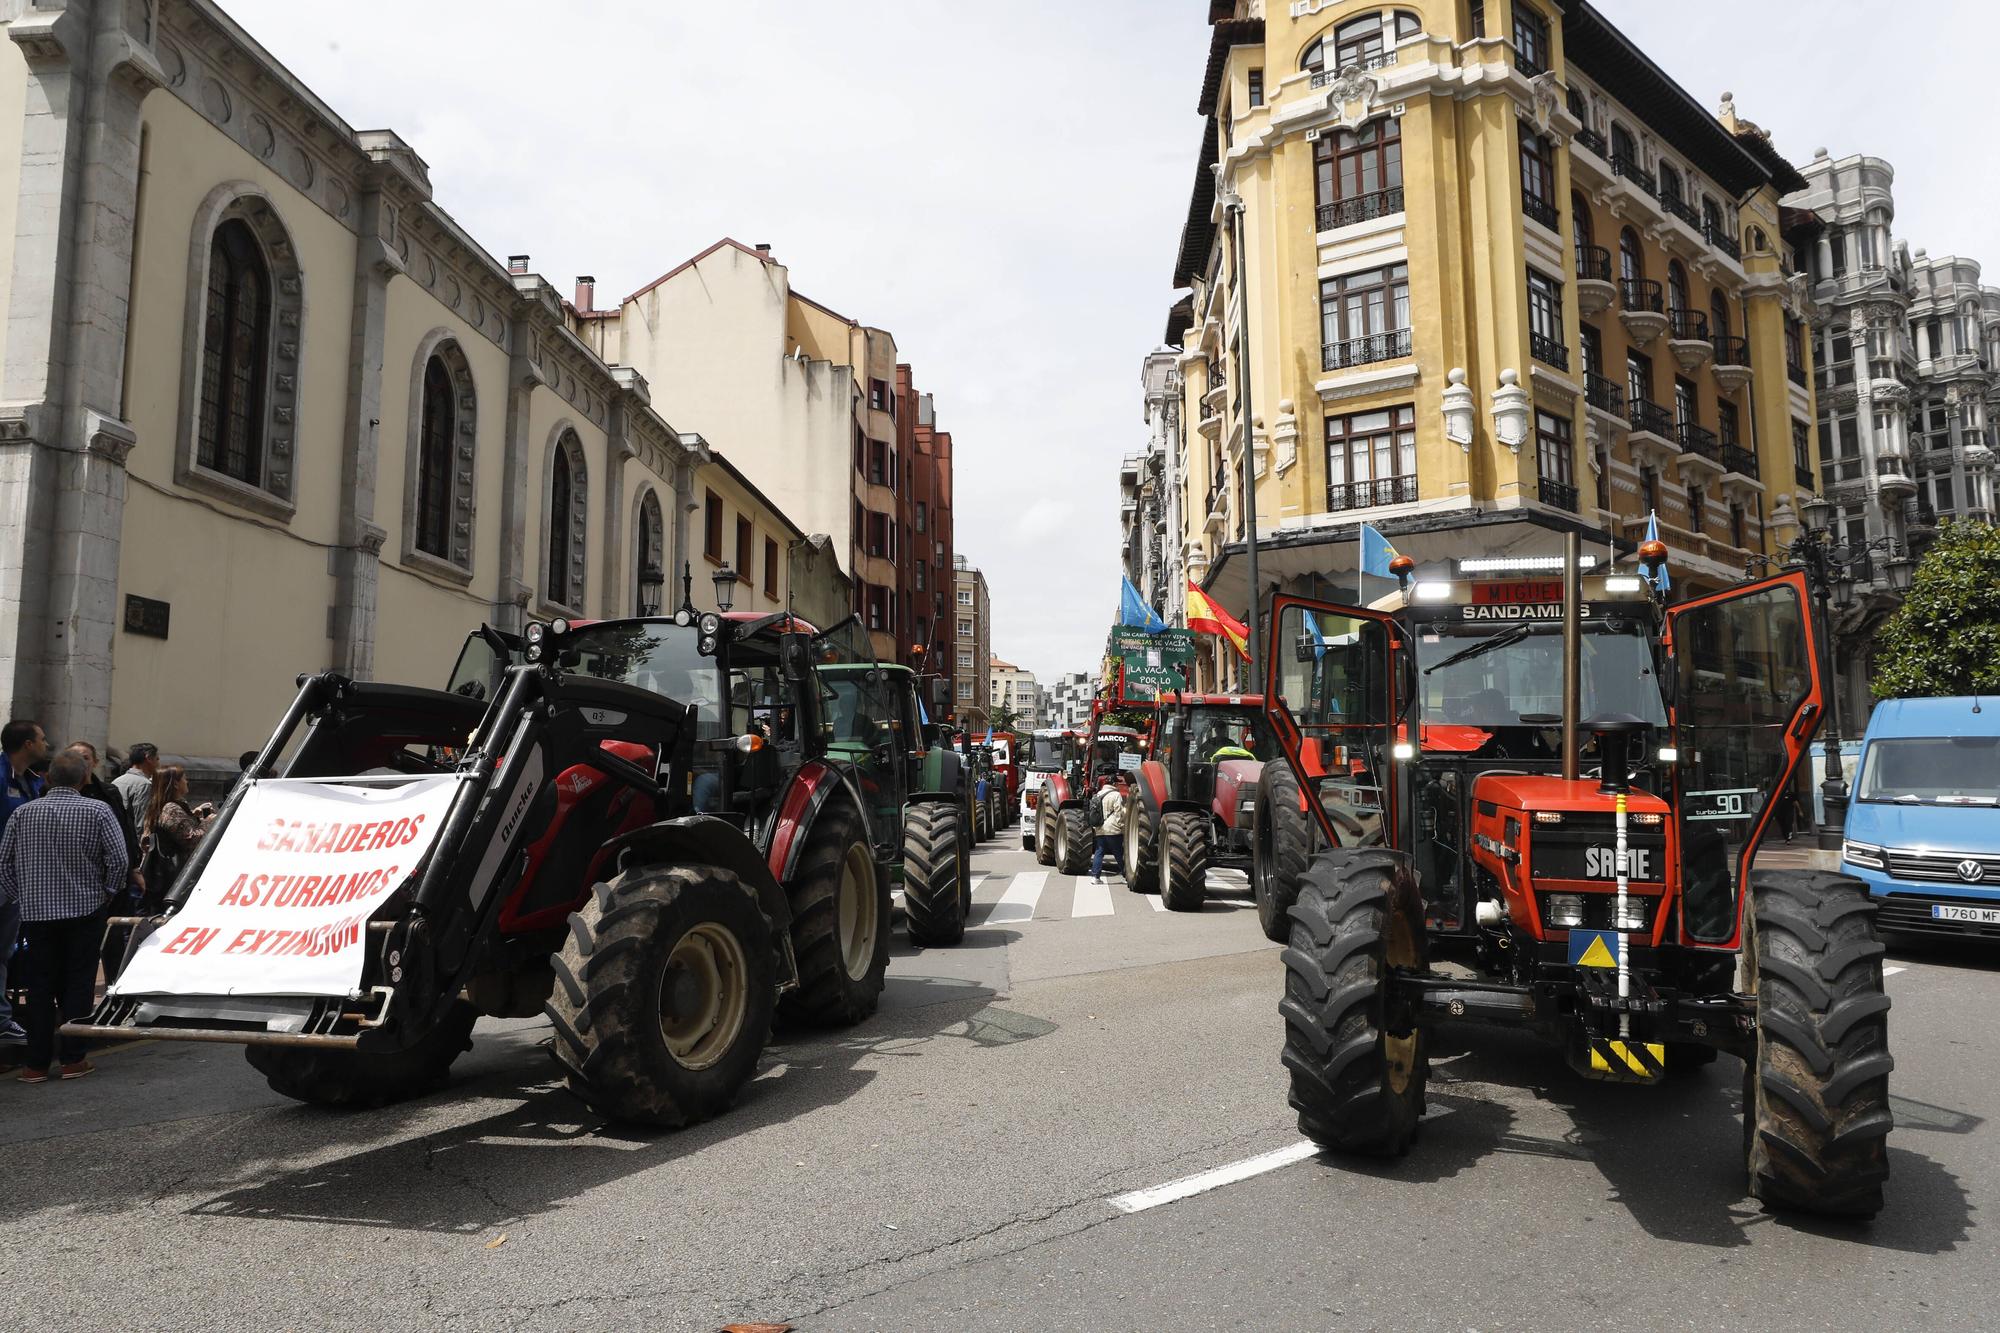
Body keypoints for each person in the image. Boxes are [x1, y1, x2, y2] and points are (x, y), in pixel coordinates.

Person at [0, 747, 128, 1082]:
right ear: (85, 778)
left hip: (37, 914)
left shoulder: (23, 814)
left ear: (46, 778)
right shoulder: (98, 810)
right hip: (85, 910)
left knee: (39, 986)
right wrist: (107, 893)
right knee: (78, 984)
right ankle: (73, 1059)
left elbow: (4, 865)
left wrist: (20, 895)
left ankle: (35, 1064)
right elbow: (119, 860)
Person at [67, 743, 145, 982]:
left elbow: (125, 829)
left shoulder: (108, 792)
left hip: (111, 877)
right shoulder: (57, 791)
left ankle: (114, 982)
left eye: (86, 757)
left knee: (113, 936)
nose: (82, 762)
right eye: (76, 757)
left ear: (95, 762)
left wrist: (133, 867)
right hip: (76, 878)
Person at [0, 718, 51, 1045]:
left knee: (3, 953)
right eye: (42, 739)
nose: (47, 744)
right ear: (28, 744)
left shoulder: (29, 781)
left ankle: (2, 1020)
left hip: (16, 882)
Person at [140, 765, 212, 910]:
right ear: (175, 783)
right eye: (184, 778)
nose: (187, 781)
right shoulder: (170, 809)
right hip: (174, 877)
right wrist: (208, 822)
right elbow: (192, 840)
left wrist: (192, 815)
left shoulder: (167, 806)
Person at [1089, 770, 1126, 885]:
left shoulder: (1098, 794)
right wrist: (1122, 827)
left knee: (1099, 852)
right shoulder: (1116, 795)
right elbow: (1119, 813)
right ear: (1114, 784)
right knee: (1119, 853)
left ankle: (1095, 877)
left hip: (1100, 828)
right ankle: (1126, 875)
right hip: (1113, 829)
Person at [111, 741, 158, 827]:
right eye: (156, 759)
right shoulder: (144, 784)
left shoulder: (117, 780)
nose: (158, 764)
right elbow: (140, 822)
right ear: (148, 759)